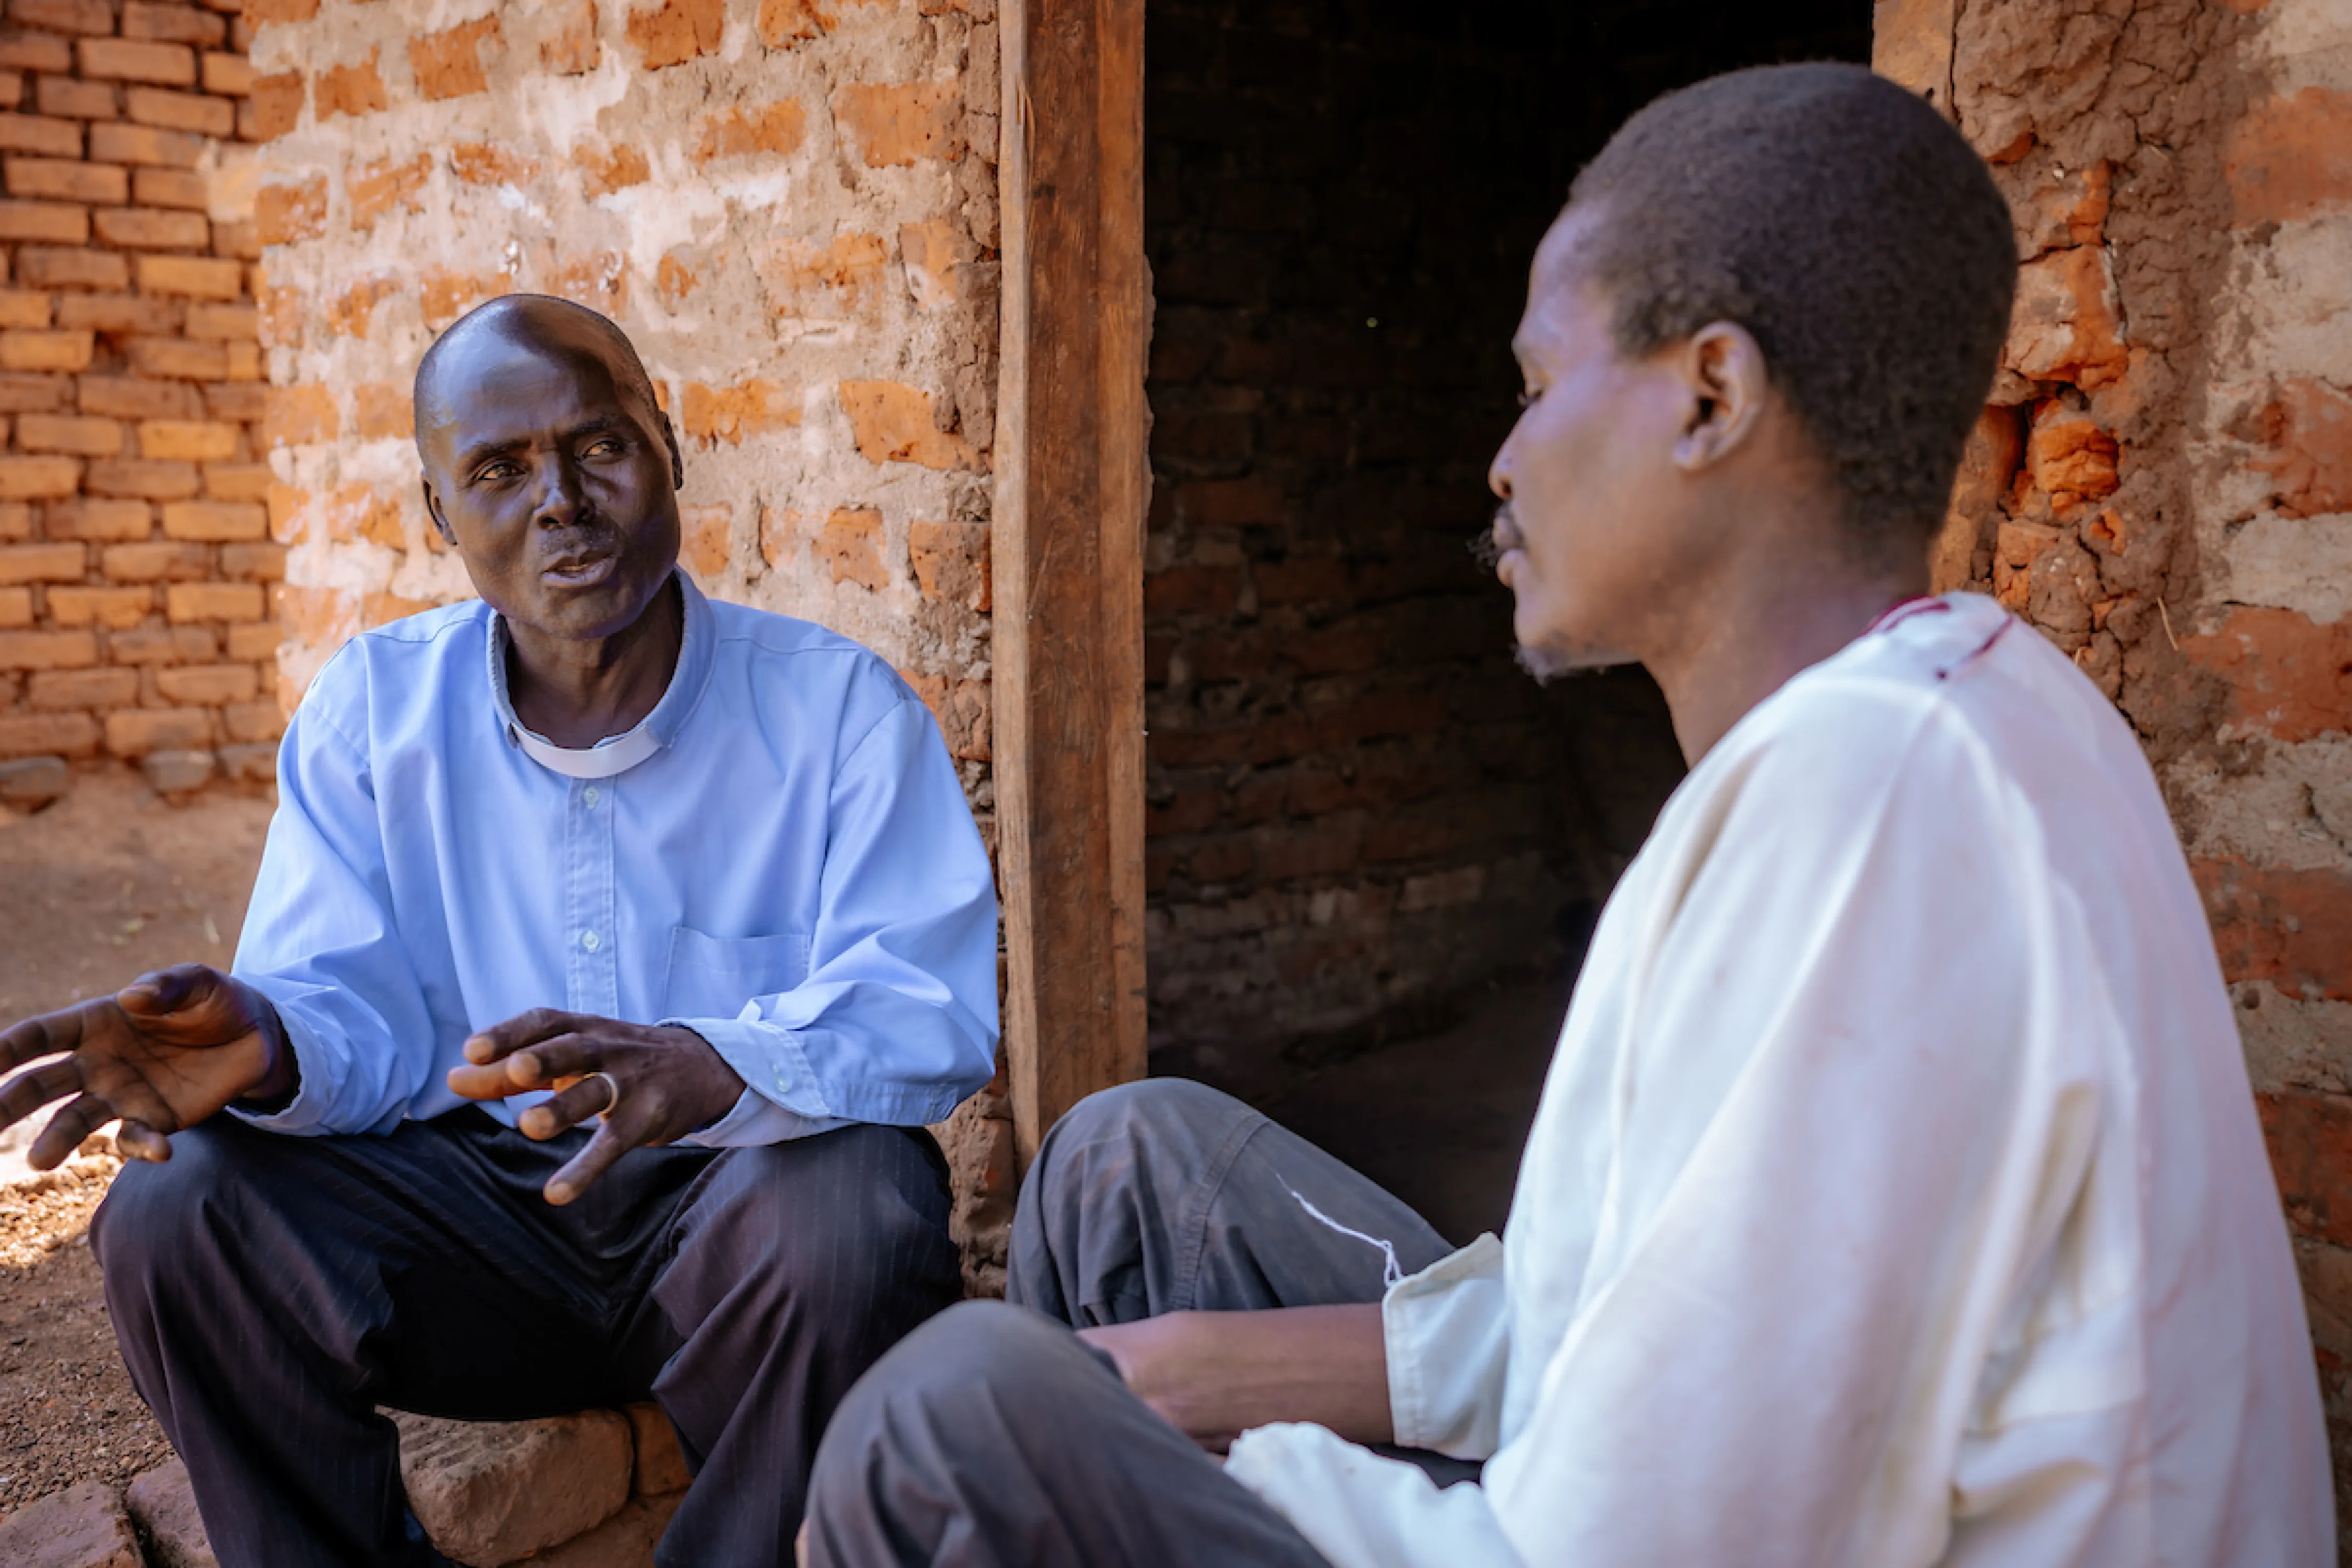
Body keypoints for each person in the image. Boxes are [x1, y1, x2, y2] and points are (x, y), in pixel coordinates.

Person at [799, 63, 2333, 1567]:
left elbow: (1620, 1546)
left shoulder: (1866, 802)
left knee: (949, 1422)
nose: (1503, 459)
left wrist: (1142, 1461)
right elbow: (1613, 1308)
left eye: (1537, 389)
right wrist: (1188, 1380)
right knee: (1125, 1163)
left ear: (1711, 397)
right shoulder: (1982, 699)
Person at [0, 295, 1000, 1566]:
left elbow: (926, 1005)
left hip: (733, 1238)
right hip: (465, 1248)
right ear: (441, 515)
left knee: (860, 1209)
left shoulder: (838, 712)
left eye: (600, 446)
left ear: (670, 453)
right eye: (498, 471)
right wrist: (271, 1042)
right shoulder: (375, 712)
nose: (561, 501)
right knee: (175, 1209)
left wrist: (714, 1060)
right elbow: (348, 1014)